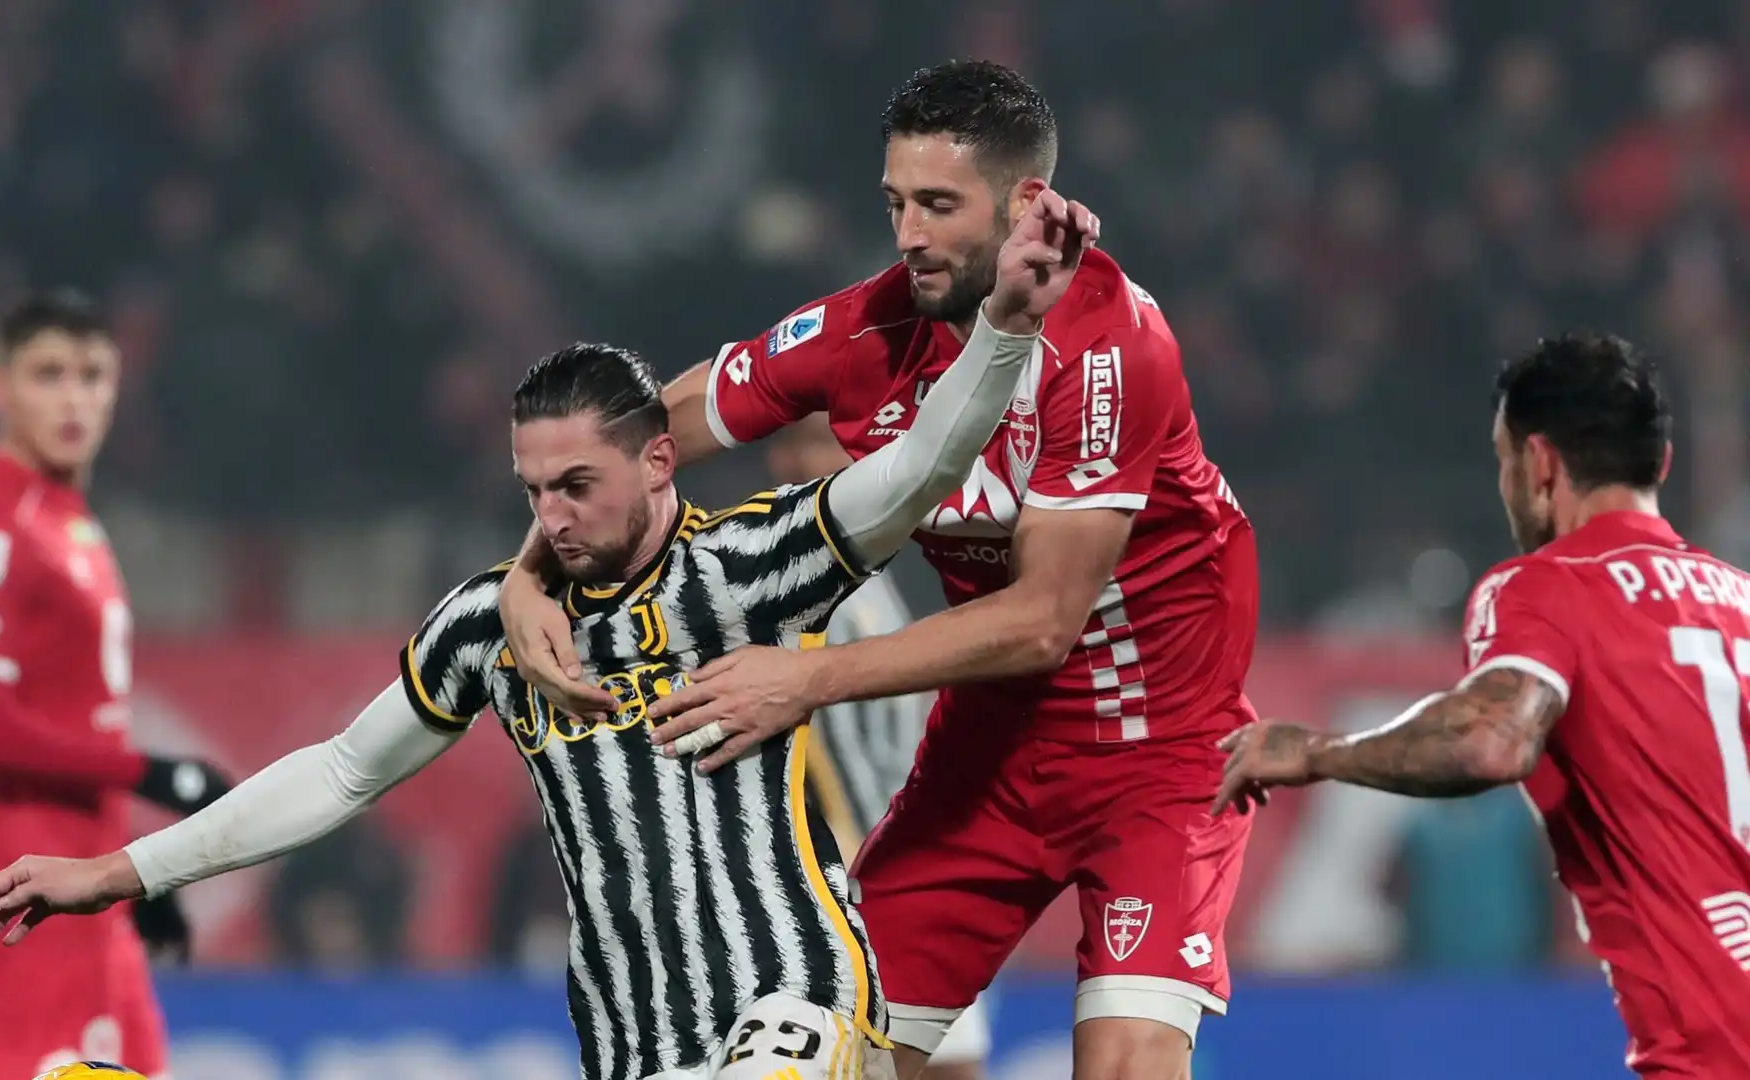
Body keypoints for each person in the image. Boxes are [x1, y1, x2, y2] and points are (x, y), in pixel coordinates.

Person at [0, 189, 1099, 1080]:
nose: (552, 517)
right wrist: (117, 870)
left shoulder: (753, 571)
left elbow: (920, 468)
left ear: (661, 462)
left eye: (578, 486)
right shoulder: (489, 627)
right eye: (534, 490)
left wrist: (1005, 324)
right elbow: (342, 772)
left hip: (794, 1003)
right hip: (633, 1041)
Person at [500, 60, 1255, 1080]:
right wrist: (529, 572)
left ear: (1024, 202)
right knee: (834, 1058)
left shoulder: (1112, 346)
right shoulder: (868, 329)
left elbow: (1045, 619)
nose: (908, 235)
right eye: (897, 202)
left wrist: (804, 678)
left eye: (939, 205)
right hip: (989, 755)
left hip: (1157, 756)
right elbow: (647, 436)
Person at [1214, 333, 1750, 1077]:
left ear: (1539, 463)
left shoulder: (1549, 587)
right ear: (1660, 462)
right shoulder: (1741, 601)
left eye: (1503, 461)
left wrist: (1314, 751)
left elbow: (1490, 739)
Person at [0, 290, 233, 1080]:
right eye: (49, 374)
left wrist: (137, 874)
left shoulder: (65, 518)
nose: (74, 399)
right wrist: (149, 772)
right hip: (22, 867)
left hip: (85, 863)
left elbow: (71, 711)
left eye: (92, 376)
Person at [767, 416, 993, 1080]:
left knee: (950, 1065)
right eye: (790, 443)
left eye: (821, 441)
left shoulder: (877, 568)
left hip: (910, 867)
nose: (799, 461)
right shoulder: (779, 583)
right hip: (841, 888)